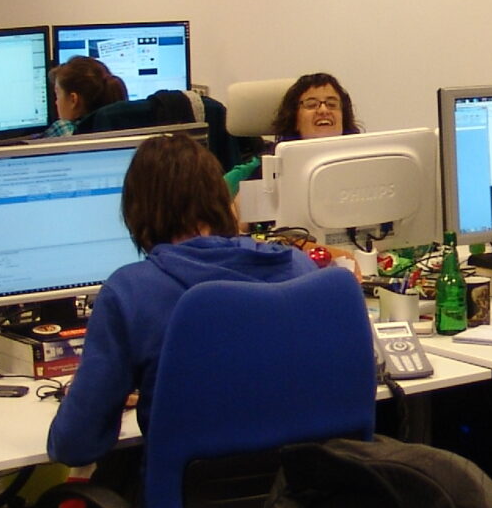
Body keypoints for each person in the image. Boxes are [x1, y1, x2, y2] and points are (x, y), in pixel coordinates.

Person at [49, 135, 322, 470]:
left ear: (137, 212)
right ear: (221, 198)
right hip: (302, 493)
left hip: (190, 498)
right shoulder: (299, 268)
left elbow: (75, 444)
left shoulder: (130, 292)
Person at [225, 72, 358, 190]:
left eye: (332, 104)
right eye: (311, 104)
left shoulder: (362, 158)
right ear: (295, 120)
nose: (324, 110)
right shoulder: (266, 166)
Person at [48, 56, 127, 136]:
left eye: (57, 95)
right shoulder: (124, 127)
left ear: (73, 100)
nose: (56, 102)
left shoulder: (63, 128)